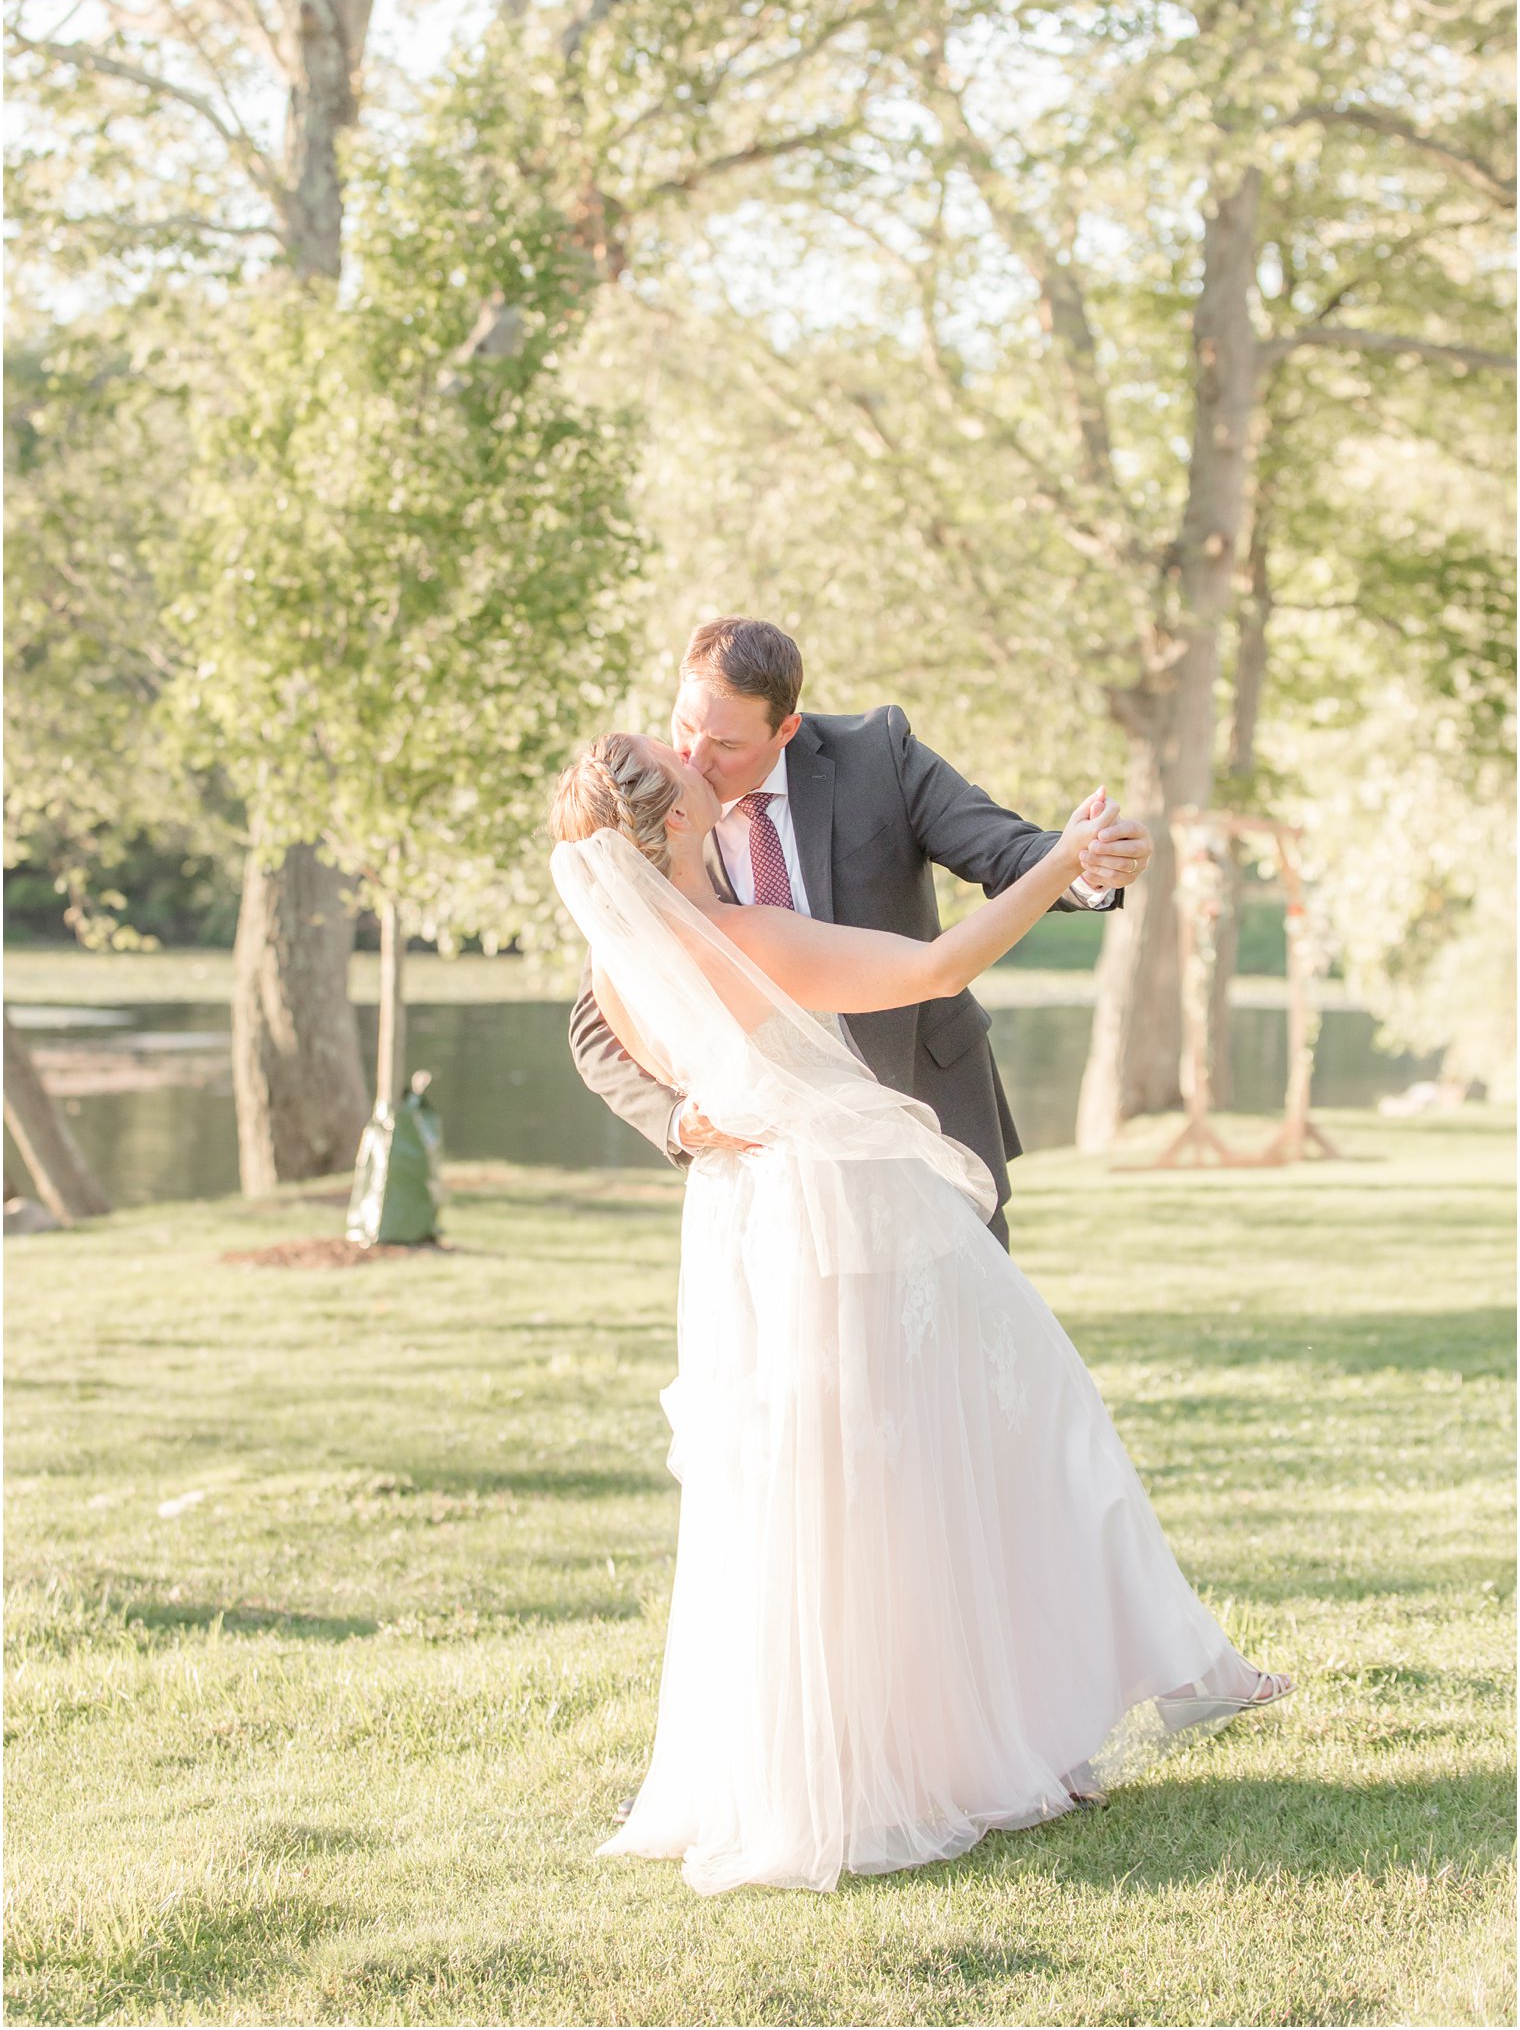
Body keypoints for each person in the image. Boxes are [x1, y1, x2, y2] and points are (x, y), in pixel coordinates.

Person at [548, 734, 1292, 1897]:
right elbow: (940, 964)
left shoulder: (623, 966)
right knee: (961, 1447)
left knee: (828, 1490)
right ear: (680, 825)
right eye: (677, 763)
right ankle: (953, 1748)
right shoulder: (745, 938)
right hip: (838, 1217)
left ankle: (895, 1756)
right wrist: (1060, 865)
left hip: (747, 1229)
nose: (694, 756)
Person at [569, 617, 1154, 1248]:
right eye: (684, 726)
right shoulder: (660, 815)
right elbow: (596, 1027)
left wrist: (1087, 864)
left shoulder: (877, 754)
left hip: (924, 1110)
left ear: (785, 729)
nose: (695, 758)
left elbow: (1004, 849)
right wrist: (681, 1121)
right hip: (776, 1171)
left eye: (726, 744)